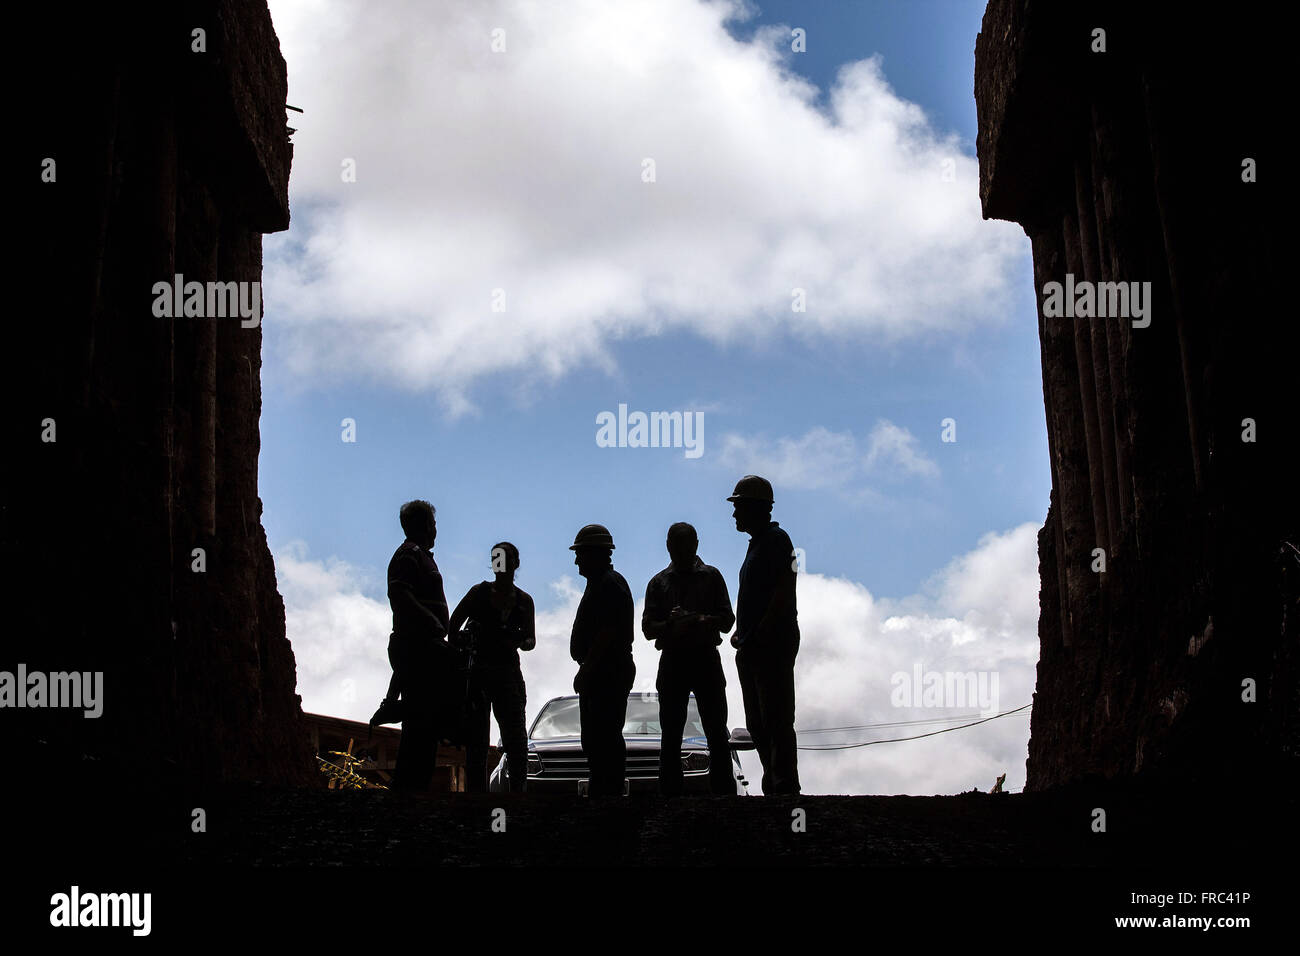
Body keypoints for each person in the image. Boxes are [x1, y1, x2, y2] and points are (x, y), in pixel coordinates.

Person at [642, 522, 736, 795]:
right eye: (675, 545)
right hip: (674, 661)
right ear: (669, 547)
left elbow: (728, 620)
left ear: (695, 545)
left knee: (716, 730)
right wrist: (672, 624)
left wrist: (702, 620)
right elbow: (648, 628)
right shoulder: (659, 583)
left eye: (683, 545)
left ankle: (723, 793)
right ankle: (672, 795)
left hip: (704, 658)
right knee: (672, 733)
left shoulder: (711, 577)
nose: (679, 550)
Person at [727, 476, 801, 795]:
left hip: (770, 646)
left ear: (757, 508)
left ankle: (783, 784)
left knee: (775, 717)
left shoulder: (777, 540)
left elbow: (783, 593)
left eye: (739, 507)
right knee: (758, 721)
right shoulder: (758, 545)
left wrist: (760, 634)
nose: (734, 515)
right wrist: (741, 633)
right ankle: (774, 779)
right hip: (752, 645)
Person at [449, 542, 536, 793]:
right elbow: (453, 627)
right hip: (478, 673)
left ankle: (516, 794)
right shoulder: (479, 593)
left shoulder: (522, 601)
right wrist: (464, 646)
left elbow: (531, 640)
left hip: (506, 673)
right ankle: (478, 796)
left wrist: (516, 640)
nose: (500, 564)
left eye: (504, 559)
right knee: (477, 740)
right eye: (496, 559)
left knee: (515, 740)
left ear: (515, 563)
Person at [382, 499, 452, 791]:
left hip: (423, 648)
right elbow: (399, 593)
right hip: (418, 649)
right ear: (424, 525)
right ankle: (409, 790)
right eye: (433, 524)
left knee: (424, 722)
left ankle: (413, 789)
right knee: (420, 722)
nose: (436, 529)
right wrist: (430, 622)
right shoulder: (409, 555)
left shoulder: (420, 556)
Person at [568, 524, 635, 796]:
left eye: (581, 554)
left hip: (607, 670)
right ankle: (604, 790)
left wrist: (587, 670)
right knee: (597, 736)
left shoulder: (608, 584)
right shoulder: (601, 583)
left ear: (596, 554)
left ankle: (608, 793)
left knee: (603, 735)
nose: (576, 560)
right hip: (603, 669)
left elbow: (607, 632)